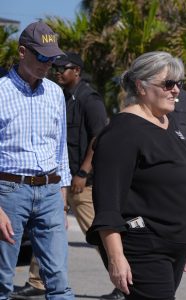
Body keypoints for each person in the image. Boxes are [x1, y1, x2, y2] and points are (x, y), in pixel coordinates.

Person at [85, 51, 186, 299]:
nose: (176, 91)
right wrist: (116, 258)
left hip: (174, 246)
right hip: (145, 248)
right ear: (141, 86)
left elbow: (176, 186)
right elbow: (108, 205)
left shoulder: (168, 124)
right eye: (168, 84)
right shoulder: (122, 132)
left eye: (179, 84)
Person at [10, 53, 119, 300]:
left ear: (77, 71)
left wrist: (83, 172)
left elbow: (98, 138)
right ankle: (38, 281)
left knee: (99, 232)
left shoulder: (89, 99)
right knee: (45, 228)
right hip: (56, 177)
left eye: (63, 68)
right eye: (55, 67)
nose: (57, 71)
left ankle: (123, 281)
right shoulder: (58, 96)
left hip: (82, 181)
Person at [0, 21, 75, 299]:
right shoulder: (1, 92)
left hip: (49, 192)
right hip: (8, 193)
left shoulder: (54, 93)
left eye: (52, 58)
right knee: (2, 278)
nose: (48, 64)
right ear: (22, 52)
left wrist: (62, 193)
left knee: (58, 278)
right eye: (42, 57)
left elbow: (60, 147)